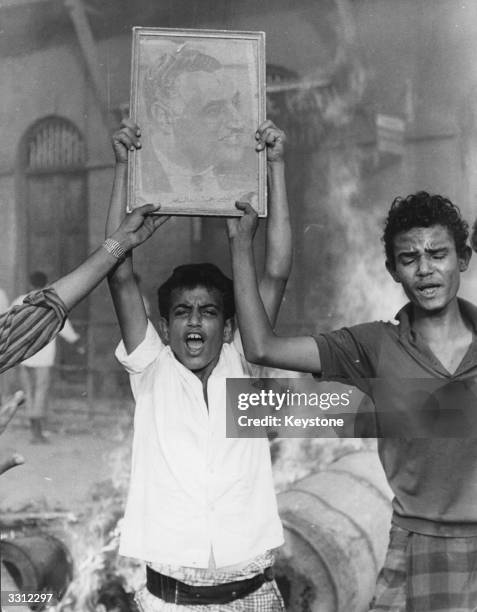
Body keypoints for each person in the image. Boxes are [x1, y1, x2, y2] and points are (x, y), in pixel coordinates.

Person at [228, 192, 477, 611]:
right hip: (414, 546)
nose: (425, 269)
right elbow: (261, 347)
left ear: (463, 259)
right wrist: (239, 247)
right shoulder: (375, 345)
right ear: (393, 270)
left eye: (438, 254)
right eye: (409, 258)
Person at [107, 117, 291, 611]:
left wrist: (275, 167)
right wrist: (124, 167)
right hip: (170, 603)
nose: (194, 323)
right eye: (182, 312)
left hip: (254, 597)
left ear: (228, 326)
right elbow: (120, 278)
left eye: (209, 312)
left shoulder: (245, 361)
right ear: (164, 327)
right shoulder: (152, 372)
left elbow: (276, 270)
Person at [139, 45, 255, 204]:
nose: (238, 122)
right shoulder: (138, 177)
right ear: (164, 117)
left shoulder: (251, 167)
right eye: (213, 111)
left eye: (235, 103)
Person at [13, 271, 83, 443]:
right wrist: (77, 342)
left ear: (30, 284)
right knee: (40, 392)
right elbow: (65, 328)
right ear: (46, 284)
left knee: (28, 392)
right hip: (42, 356)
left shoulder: (20, 301)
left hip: (24, 355)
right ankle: (37, 433)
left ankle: (34, 431)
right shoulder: (53, 303)